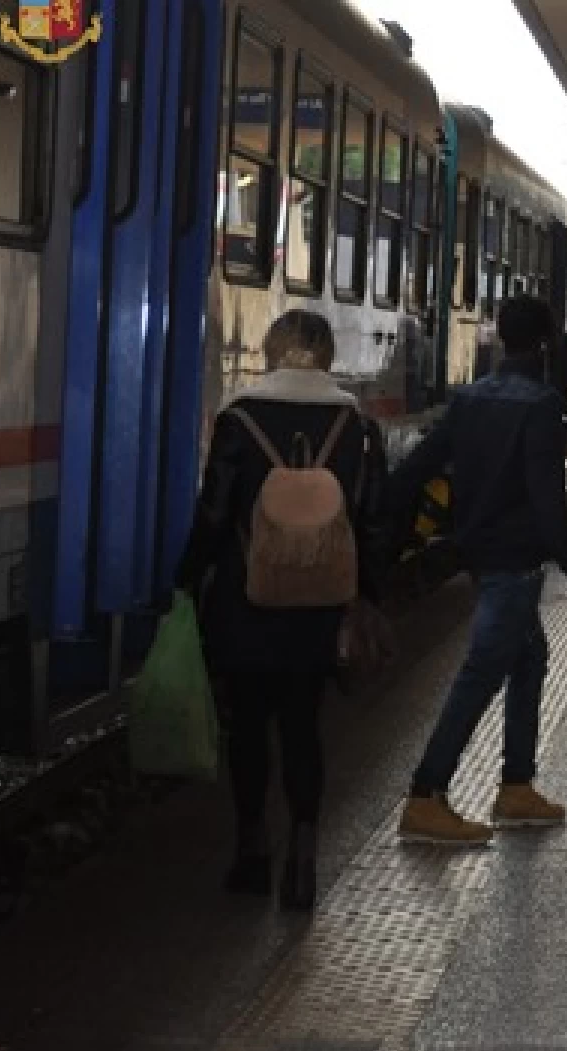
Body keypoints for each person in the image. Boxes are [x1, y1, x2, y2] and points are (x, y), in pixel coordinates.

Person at [176, 310, 390, 912]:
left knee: (247, 726)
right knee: (304, 724)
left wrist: (187, 578)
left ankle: (251, 852)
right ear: (325, 354)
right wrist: (369, 595)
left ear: (272, 350)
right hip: (321, 603)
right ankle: (303, 850)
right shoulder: (355, 423)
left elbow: (214, 514)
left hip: (249, 598)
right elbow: (373, 519)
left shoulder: (239, 419)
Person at [388, 295, 567, 847]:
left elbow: (413, 471)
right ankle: (426, 793)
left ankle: (517, 785)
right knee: (480, 673)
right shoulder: (541, 405)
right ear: (549, 343)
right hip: (516, 562)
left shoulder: (470, 399)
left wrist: (393, 535)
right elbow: (547, 504)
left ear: (501, 337)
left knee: (530, 660)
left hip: (480, 555)